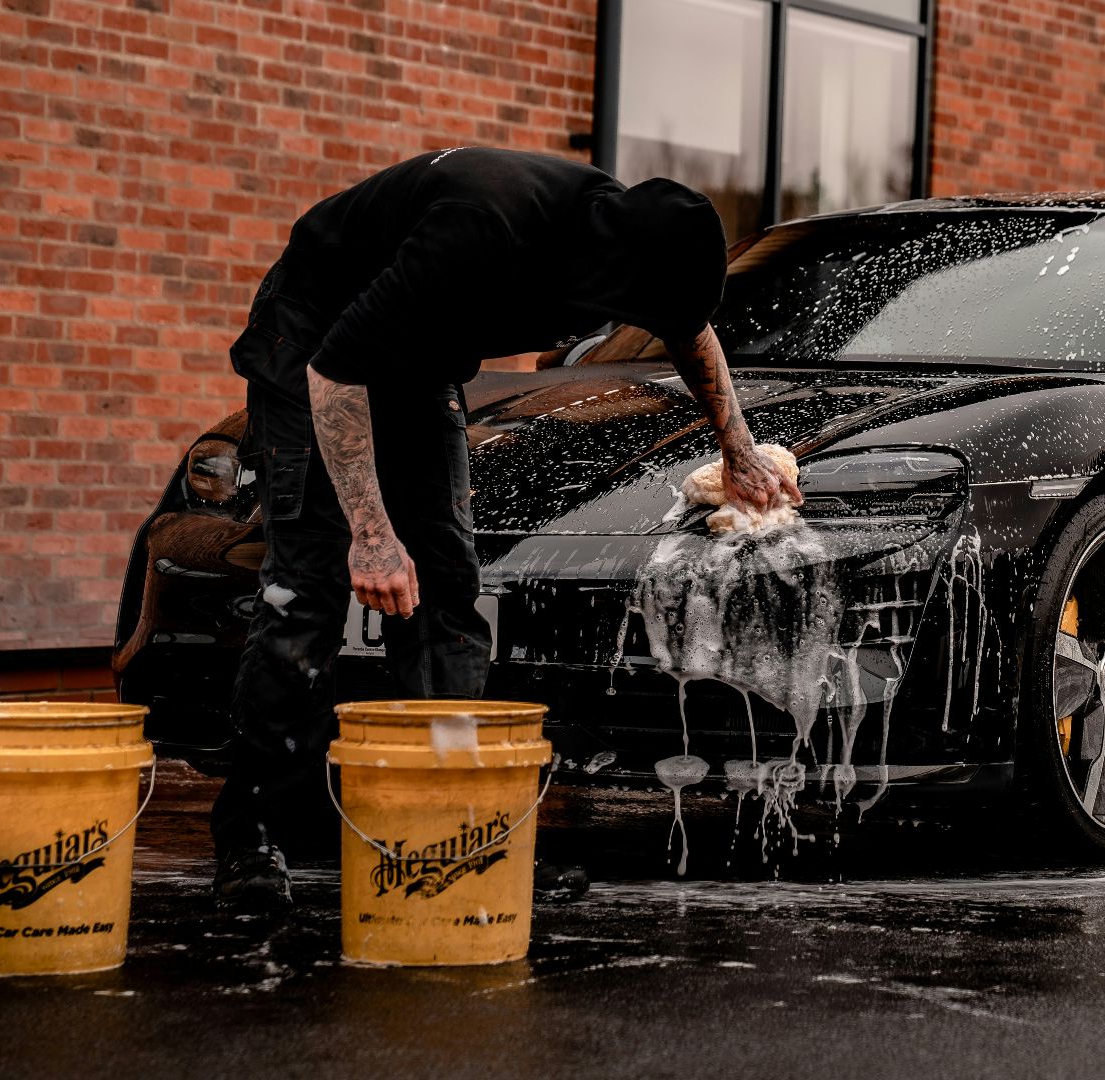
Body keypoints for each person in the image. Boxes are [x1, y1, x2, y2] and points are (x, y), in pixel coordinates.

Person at [213, 146, 801, 910]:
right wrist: (372, 533)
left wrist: (739, 448)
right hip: (314, 342)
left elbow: (691, 333)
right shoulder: (483, 228)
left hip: (416, 356)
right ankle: (253, 834)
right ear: (607, 270)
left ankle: (453, 825)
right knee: (309, 591)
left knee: (447, 591)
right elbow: (336, 373)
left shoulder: (642, 237)